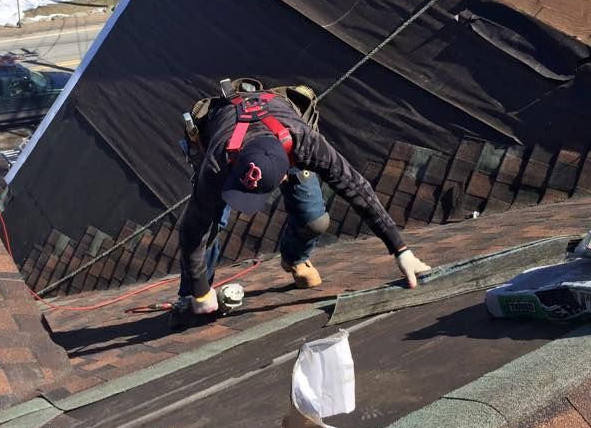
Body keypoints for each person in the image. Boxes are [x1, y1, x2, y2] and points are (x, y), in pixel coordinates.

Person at [177, 81, 431, 316]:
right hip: (227, 136)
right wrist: (200, 291)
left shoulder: (307, 144)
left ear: (284, 176)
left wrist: (401, 250)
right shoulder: (217, 164)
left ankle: (295, 259)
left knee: (314, 221)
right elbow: (192, 229)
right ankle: (191, 297)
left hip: (281, 136)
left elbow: (357, 188)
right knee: (209, 225)